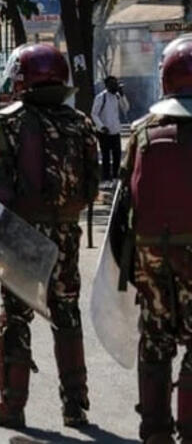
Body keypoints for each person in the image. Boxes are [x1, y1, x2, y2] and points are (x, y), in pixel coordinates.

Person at [0, 44, 99, 428]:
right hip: (66, 233)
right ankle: (75, 406)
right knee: (67, 313)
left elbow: (2, 187)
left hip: (23, 234)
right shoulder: (81, 123)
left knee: (15, 316)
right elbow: (93, 188)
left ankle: (12, 407)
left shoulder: (8, 123)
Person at [120, 35, 192, 444]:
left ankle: (155, 432)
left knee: (155, 343)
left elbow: (125, 198)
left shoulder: (144, 131)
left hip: (151, 257)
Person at [91, 75, 129, 184]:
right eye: (112, 83)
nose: (115, 85)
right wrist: (101, 126)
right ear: (107, 85)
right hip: (104, 132)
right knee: (106, 156)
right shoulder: (101, 97)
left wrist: (122, 95)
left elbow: (126, 108)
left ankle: (116, 178)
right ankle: (106, 178)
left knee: (117, 156)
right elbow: (94, 114)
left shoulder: (117, 97)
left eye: (116, 83)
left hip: (115, 131)